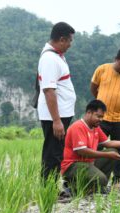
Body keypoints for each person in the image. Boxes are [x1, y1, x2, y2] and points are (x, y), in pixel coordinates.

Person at [61, 100, 120, 193]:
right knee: (101, 179)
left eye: (102, 117)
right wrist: (107, 155)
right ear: (89, 113)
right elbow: (82, 151)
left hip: (88, 164)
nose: (101, 119)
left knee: (113, 150)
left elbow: (109, 143)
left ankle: (95, 186)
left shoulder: (95, 128)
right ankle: (73, 186)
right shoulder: (78, 127)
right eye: (98, 116)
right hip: (73, 165)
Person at [90, 48, 120, 186]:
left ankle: (117, 179)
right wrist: (102, 103)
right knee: (98, 146)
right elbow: (93, 88)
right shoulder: (102, 69)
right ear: (115, 59)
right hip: (102, 119)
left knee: (119, 149)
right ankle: (95, 175)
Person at [37, 22, 76, 181]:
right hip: (55, 116)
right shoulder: (49, 59)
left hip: (60, 114)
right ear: (61, 39)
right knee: (53, 154)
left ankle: (52, 188)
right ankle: (48, 189)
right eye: (69, 41)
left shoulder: (56, 56)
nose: (70, 45)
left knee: (56, 152)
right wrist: (57, 121)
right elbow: (48, 90)